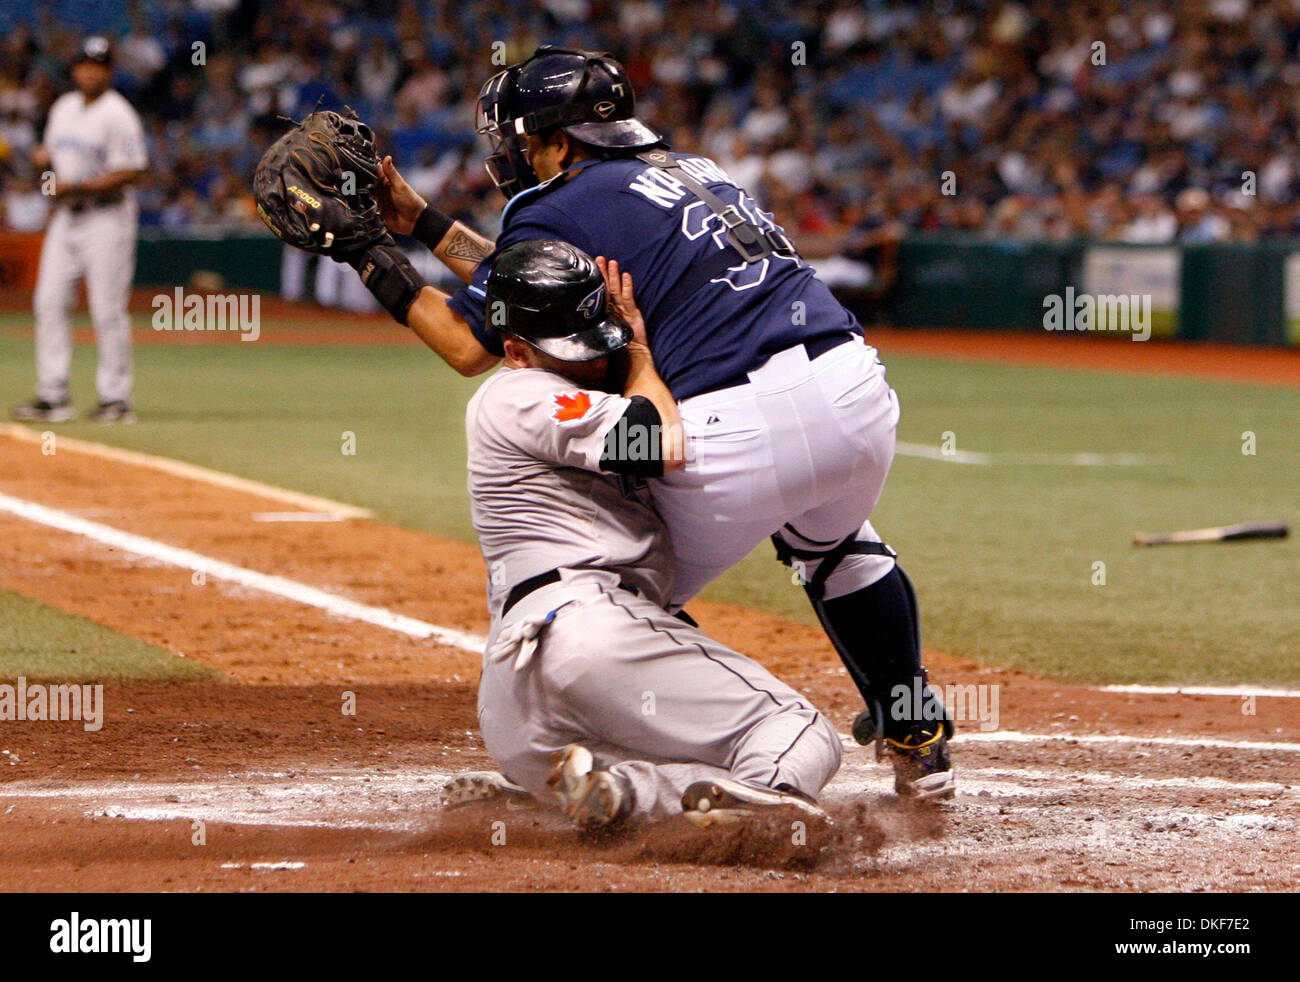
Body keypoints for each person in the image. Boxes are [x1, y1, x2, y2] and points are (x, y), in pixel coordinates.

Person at [299, 47, 953, 799]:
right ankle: (915, 734)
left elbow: (472, 345)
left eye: (524, 138)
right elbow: (537, 283)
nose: (513, 154)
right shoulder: (696, 169)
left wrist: (366, 251)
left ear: (563, 140)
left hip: (729, 425)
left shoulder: (548, 206)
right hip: (856, 397)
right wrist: (420, 221)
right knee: (836, 543)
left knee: (619, 590)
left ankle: (698, 764)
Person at [450, 237, 841, 829]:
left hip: (516, 699)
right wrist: (636, 354)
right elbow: (659, 442)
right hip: (586, 624)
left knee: (673, 765)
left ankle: (609, 791)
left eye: (597, 346)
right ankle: (771, 803)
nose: (592, 362)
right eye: (573, 352)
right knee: (797, 727)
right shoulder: (518, 392)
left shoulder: (546, 386)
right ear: (514, 351)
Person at [11, 37, 148, 425]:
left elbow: (133, 171)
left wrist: (76, 187)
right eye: (85, 64)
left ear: (109, 71)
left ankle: (115, 399)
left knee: (107, 309)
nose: (90, 70)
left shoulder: (119, 114)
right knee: (49, 302)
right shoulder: (64, 108)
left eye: (99, 65)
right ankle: (53, 395)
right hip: (66, 218)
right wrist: (45, 171)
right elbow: (52, 173)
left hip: (107, 218)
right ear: (74, 69)